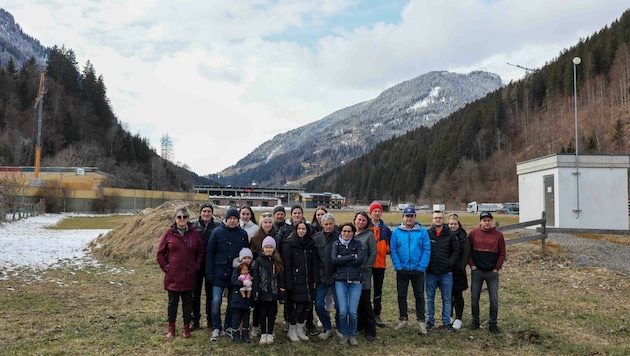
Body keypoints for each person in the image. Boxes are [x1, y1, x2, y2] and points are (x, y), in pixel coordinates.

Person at [156, 206, 205, 338]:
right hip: (173, 275)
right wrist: (166, 268)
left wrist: (196, 266)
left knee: (187, 303)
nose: (182, 219)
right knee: (173, 303)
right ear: (175, 219)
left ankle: (186, 328)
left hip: (189, 275)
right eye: (179, 217)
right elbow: (160, 253)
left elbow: (200, 252)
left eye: (184, 217)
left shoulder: (194, 233)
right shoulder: (169, 233)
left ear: (188, 219)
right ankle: (171, 328)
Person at [206, 208, 249, 342]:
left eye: (235, 218)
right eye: (230, 218)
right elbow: (210, 253)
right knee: (216, 301)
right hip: (218, 273)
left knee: (232, 302)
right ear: (226, 218)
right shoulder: (217, 232)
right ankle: (216, 326)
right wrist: (209, 272)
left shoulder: (242, 234)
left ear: (238, 220)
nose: (232, 221)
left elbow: (245, 254)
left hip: (234, 275)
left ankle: (228, 326)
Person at [390, 205, 431, 334]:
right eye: (407, 216)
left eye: (411, 216)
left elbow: (426, 250)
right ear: (403, 217)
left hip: (417, 269)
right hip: (402, 269)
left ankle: (421, 321)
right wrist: (398, 266)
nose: (409, 218)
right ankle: (403, 319)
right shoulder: (396, 232)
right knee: (401, 294)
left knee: (419, 295)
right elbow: (393, 250)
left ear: (415, 217)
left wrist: (421, 267)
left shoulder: (422, 231)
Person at [468, 212, 506, 335]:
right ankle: (475, 321)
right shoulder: (473, 234)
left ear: (491, 221)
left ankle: (493, 324)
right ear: (480, 222)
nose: (486, 222)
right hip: (477, 271)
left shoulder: (498, 235)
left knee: (494, 300)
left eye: (488, 220)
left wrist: (496, 268)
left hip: (492, 272)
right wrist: (472, 266)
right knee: (474, 298)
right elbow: (468, 251)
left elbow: (502, 253)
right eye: (484, 220)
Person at [281, 220, 318, 342]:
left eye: (303, 229)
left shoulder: (311, 244)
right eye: (299, 229)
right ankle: (292, 329)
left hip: (308, 280)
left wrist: (314, 279)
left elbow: (314, 263)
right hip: (295, 280)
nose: (301, 231)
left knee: (307, 306)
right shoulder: (289, 243)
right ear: (295, 231)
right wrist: (288, 283)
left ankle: (300, 328)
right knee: (298, 307)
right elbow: (286, 265)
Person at [332, 222, 366, 346]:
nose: (346, 233)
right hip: (340, 281)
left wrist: (343, 259)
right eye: (344, 231)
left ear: (353, 232)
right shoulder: (336, 244)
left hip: (356, 282)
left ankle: (352, 334)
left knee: (352, 312)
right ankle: (344, 333)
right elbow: (335, 261)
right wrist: (352, 256)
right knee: (342, 311)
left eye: (349, 231)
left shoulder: (358, 244)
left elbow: (360, 261)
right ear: (340, 232)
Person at [425, 210, 459, 332]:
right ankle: (430, 321)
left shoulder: (450, 234)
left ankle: (446, 322)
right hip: (430, 272)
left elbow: (456, 251)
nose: (438, 220)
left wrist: (449, 263)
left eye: (440, 218)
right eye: (435, 218)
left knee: (447, 298)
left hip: (446, 273)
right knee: (429, 298)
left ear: (443, 220)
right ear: (432, 220)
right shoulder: (427, 234)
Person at [191, 202, 221, 331]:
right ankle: (195, 319)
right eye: (204, 211)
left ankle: (210, 320)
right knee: (194, 294)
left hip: (211, 265)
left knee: (210, 294)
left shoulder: (218, 226)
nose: (206, 214)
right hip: (196, 264)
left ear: (212, 213)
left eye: (209, 211)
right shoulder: (192, 226)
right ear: (200, 212)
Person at [252, 236, 284, 345]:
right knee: (262, 314)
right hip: (262, 292)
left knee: (272, 314)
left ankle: (270, 333)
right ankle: (263, 333)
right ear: (263, 248)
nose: (268, 249)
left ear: (274, 248)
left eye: (270, 247)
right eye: (266, 247)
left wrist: (280, 291)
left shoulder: (277, 261)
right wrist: (256, 291)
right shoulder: (259, 261)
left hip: (273, 293)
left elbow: (280, 277)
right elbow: (256, 278)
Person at [313, 213, 340, 340]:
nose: (328, 226)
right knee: (318, 304)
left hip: (336, 277)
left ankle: (339, 327)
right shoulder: (316, 238)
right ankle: (327, 327)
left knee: (340, 305)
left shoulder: (340, 237)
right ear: (321, 224)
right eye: (326, 224)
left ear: (334, 224)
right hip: (322, 277)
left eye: (330, 224)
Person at [248, 213, 274, 337]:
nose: (267, 224)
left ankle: (269, 329)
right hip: (258, 272)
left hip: (272, 273)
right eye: (265, 222)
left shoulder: (276, 235)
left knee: (269, 307)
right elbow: (252, 256)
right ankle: (256, 326)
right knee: (258, 305)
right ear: (261, 224)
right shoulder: (256, 237)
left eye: (269, 222)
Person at [353, 211, 377, 341]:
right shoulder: (350, 234)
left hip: (364, 274)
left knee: (365, 301)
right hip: (351, 273)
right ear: (355, 220)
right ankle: (359, 325)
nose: (360, 222)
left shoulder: (369, 236)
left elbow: (373, 253)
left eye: (363, 220)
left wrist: (367, 267)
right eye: (359, 220)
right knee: (356, 301)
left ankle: (370, 329)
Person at [368, 201, 391, 328]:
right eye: (374, 211)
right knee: (365, 290)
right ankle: (366, 315)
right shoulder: (367, 227)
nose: (377, 213)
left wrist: (385, 249)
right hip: (367, 264)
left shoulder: (386, 229)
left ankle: (377, 314)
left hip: (380, 264)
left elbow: (389, 245)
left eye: (379, 211)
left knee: (378, 290)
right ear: (370, 212)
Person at [448, 213, 471, 330]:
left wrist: (461, 266)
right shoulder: (445, 234)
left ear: (458, 224)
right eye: (451, 224)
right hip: (447, 269)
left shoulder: (463, 236)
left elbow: (466, 253)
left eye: (455, 224)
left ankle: (459, 317)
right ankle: (449, 316)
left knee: (458, 294)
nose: (452, 226)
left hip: (459, 271)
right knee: (448, 295)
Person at [230, 248, 254, 343]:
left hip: (247, 299)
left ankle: (245, 334)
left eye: (249, 258)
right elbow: (233, 281)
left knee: (246, 317)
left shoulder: (251, 270)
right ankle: (235, 334)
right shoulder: (237, 269)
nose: (247, 260)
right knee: (236, 316)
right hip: (237, 297)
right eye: (245, 258)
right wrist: (243, 283)